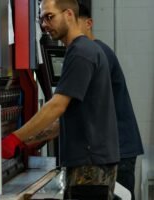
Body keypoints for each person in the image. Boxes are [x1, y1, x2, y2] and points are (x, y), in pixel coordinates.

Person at [1, 0, 120, 199]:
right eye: (41, 19)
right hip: (92, 162)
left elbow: (57, 105)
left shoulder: (80, 52)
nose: (45, 25)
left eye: (50, 17)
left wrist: (15, 138)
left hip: (89, 166)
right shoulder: (85, 50)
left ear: (69, 15)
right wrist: (29, 141)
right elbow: (67, 119)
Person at [77, 4, 144, 200]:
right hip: (116, 150)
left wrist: (26, 138)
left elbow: (71, 106)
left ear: (88, 24)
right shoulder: (94, 51)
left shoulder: (95, 53)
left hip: (118, 152)